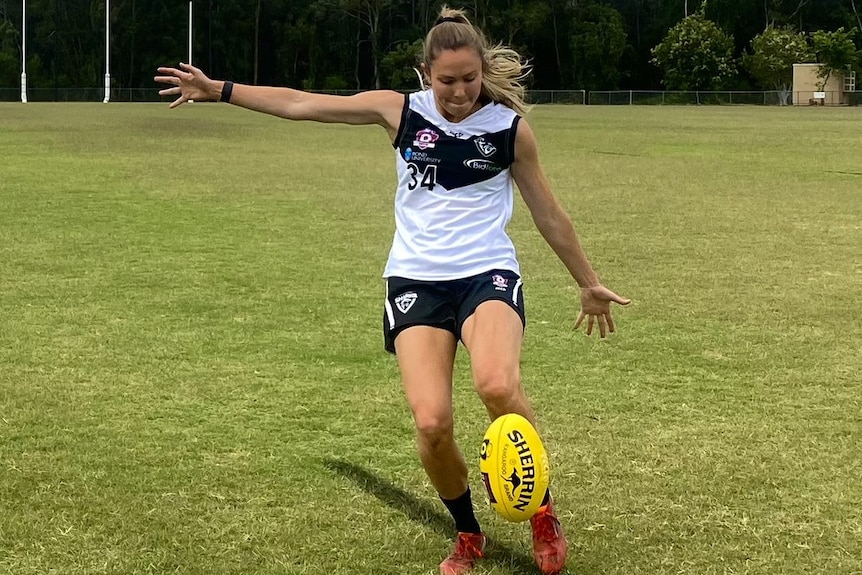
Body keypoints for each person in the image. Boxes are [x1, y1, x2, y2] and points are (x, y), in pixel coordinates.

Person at [156, 6, 629, 575]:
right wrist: (222, 90)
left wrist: (588, 282)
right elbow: (303, 103)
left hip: (487, 274)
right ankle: (467, 533)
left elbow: (548, 213)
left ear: (483, 72)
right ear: (426, 71)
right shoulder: (399, 111)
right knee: (432, 423)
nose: (458, 92)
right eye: (447, 80)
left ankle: (540, 511)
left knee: (498, 385)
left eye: (470, 80)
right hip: (415, 280)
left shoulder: (509, 129)